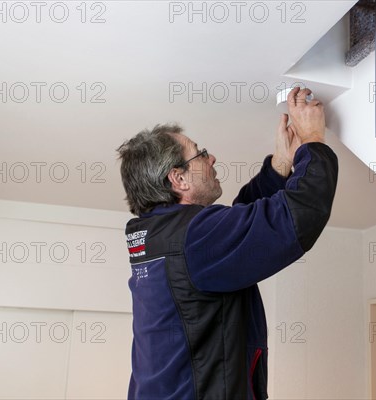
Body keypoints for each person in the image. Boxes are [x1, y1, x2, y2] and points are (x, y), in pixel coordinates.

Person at [117, 87, 338, 400]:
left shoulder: (156, 235)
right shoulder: (192, 238)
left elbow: (236, 231)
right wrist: (313, 140)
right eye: (200, 153)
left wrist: (280, 164)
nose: (212, 157)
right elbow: (300, 216)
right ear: (178, 179)